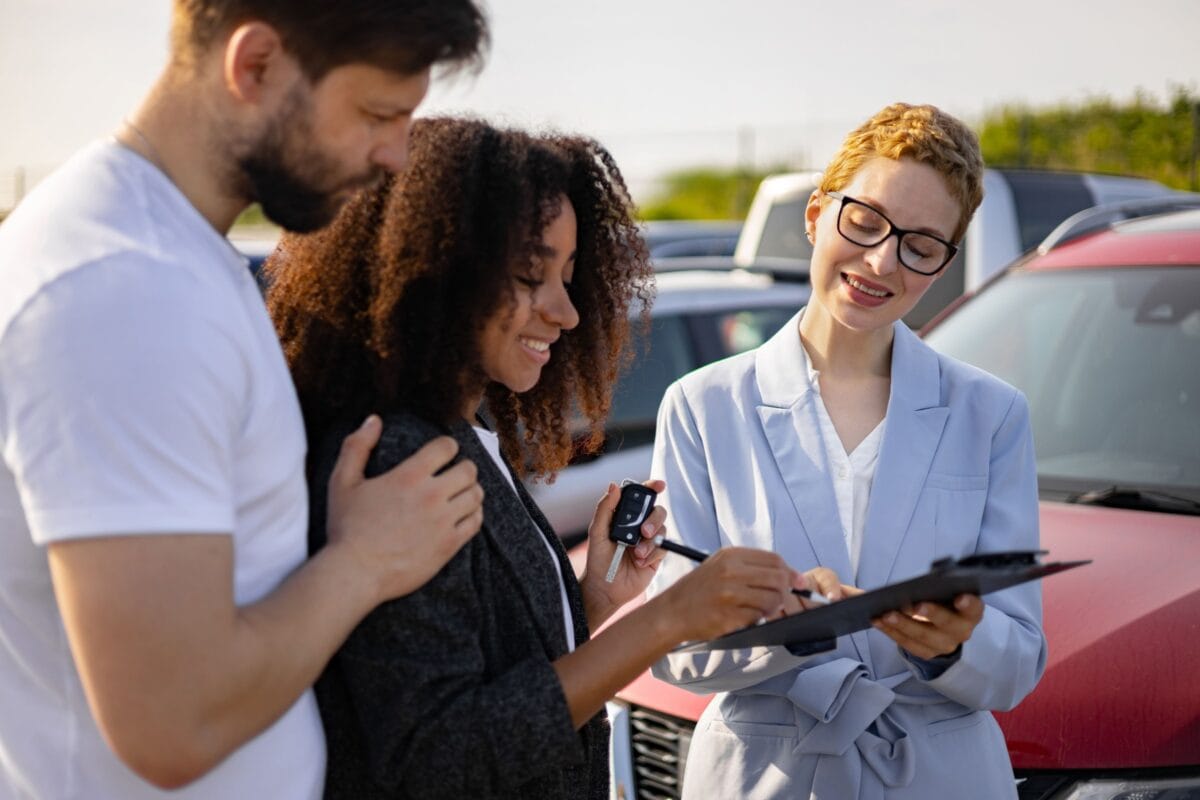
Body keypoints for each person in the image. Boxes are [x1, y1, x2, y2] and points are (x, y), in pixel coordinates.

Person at [0, 3, 488, 798]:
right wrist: (363, 562)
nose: (398, 156)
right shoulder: (128, 289)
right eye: (377, 113)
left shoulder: (161, 250)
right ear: (255, 64)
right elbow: (173, 721)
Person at [265, 116, 806, 800]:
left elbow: (497, 664)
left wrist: (590, 603)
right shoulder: (399, 459)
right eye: (529, 275)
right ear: (434, 272)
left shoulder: (462, 430)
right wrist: (667, 620)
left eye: (570, 277)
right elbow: (439, 758)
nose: (567, 312)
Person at [645, 103, 1047, 800]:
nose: (881, 261)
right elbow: (672, 649)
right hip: (765, 773)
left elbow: (1018, 664)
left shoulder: (992, 414)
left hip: (942, 774)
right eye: (864, 221)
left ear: (945, 263)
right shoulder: (703, 406)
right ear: (815, 214)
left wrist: (955, 642)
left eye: (921, 246)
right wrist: (776, 625)